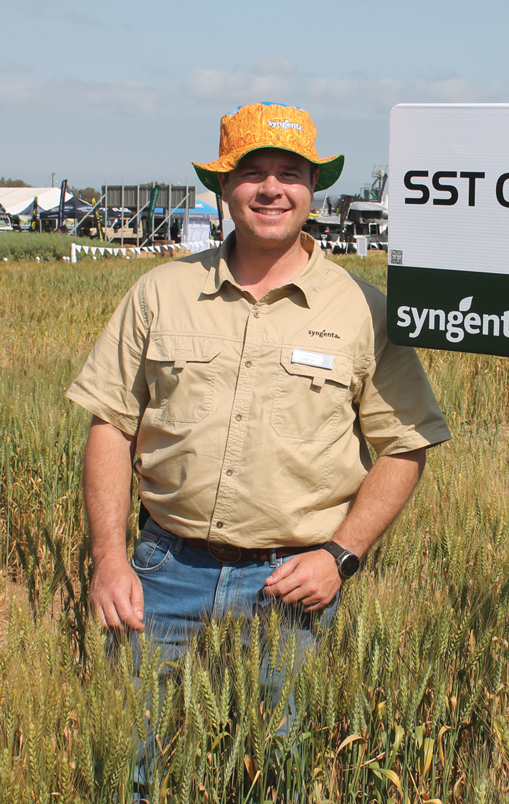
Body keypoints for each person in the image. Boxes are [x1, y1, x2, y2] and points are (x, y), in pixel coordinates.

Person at [66, 102, 450, 664]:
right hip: (163, 577)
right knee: (135, 725)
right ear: (223, 185)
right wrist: (108, 559)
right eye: (252, 173)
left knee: (280, 728)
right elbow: (111, 425)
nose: (271, 189)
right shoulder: (160, 292)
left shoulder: (364, 310)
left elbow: (406, 444)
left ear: (313, 185)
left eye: (289, 173)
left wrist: (341, 556)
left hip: (293, 586)